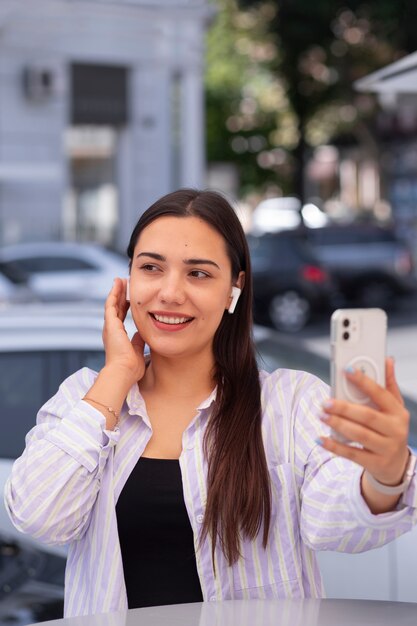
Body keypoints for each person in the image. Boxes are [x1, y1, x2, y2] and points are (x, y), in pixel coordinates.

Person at [4, 189, 417, 618]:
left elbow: (337, 518)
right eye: (151, 268)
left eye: (198, 274)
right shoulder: (86, 397)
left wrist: (385, 476)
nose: (169, 292)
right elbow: (39, 517)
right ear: (127, 280)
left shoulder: (289, 402)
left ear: (233, 289)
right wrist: (117, 375)